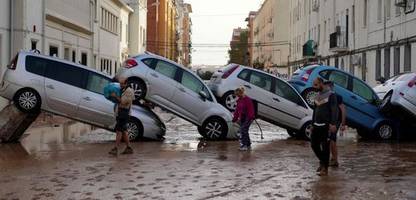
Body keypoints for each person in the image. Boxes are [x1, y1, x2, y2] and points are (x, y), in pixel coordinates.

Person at [311, 77, 339, 176]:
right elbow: (314, 111)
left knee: (325, 147)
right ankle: (322, 162)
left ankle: (325, 169)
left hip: (326, 125)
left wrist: (333, 124)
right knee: (314, 145)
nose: (314, 87)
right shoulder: (317, 96)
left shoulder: (331, 95)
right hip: (316, 125)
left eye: (316, 85)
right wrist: (312, 124)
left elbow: (334, 110)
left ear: (321, 84)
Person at [109, 77, 135, 155]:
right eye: (120, 83)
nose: (120, 85)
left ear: (126, 83)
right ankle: (129, 148)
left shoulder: (129, 91)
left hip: (124, 113)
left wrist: (115, 96)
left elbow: (123, 102)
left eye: (122, 83)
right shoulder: (122, 90)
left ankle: (115, 148)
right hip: (120, 113)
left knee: (119, 131)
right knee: (124, 131)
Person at [324, 81, 347, 167]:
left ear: (331, 87)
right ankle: (333, 159)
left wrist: (343, 124)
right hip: (328, 122)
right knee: (329, 140)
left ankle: (335, 160)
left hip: (335, 122)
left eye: (326, 87)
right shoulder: (325, 96)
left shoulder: (337, 97)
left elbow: (343, 109)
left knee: (332, 140)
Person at [232, 87, 255, 151]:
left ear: (241, 93)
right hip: (242, 117)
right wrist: (234, 118)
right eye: (236, 95)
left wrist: (250, 117)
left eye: (238, 94)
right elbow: (237, 110)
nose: (237, 96)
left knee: (243, 130)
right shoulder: (239, 100)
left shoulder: (248, 100)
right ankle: (248, 144)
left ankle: (244, 145)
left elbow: (251, 110)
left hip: (249, 117)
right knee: (245, 131)